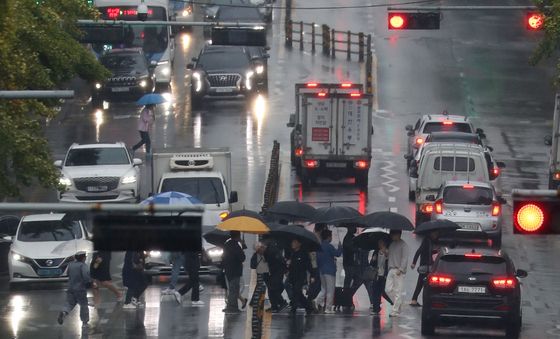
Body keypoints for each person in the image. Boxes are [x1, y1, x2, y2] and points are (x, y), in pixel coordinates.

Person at [58, 251, 95, 328]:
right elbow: (86, 276)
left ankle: (64, 312)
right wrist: (90, 282)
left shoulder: (71, 264)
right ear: (83, 258)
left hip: (70, 287)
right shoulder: (83, 266)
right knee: (83, 305)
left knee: (69, 303)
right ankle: (85, 322)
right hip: (80, 289)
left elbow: (68, 273)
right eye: (85, 256)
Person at [410, 230, 439, 307]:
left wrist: (436, 251)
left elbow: (429, 252)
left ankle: (414, 299)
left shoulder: (430, 241)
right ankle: (418, 300)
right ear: (431, 233)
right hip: (425, 266)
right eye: (435, 234)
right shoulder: (427, 241)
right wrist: (414, 263)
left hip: (427, 265)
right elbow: (419, 251)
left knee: (420, 283)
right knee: (424, 283)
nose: (436, 236)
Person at [315, 229, 342, 313]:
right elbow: (337, 254)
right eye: (331, 236)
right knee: (330, 290)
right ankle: (328, 308)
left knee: (323, 289)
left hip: (322, 270)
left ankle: (316, 301)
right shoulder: (329, 246)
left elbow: (318, 260)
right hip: (330, 271)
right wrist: (340, 247)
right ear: (328, 237)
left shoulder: (319, 247)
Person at [385, 230, 409, 317]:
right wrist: (385, 251)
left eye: (393, 234)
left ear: (398, 234)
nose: (392, 236)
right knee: (387, 289)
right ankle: (398, 305)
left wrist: (401, 269)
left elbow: (405, 258)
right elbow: (389, 255)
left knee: (398, 291)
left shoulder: (403, 245)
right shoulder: (392, 244)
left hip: (399, 270)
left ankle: (395, 310)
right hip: (391, 269)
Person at [287, 238, 314, 315]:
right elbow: (291, 266)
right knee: (298, 293)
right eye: (292, 242)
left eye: (295, 242)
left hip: (300, 276)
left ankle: (293, 309)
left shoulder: (303, 254)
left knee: (296, 291)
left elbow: (309, 265)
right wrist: (288, 266)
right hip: (293, 276)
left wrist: (313, 275)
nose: (293, 244)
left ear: (299, 244)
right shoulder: (292, 253)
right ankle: (308, 307)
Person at [222, 231, 247, 313]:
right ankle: (233, 307)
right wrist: (242, 248)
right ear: (238, 236)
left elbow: (223, 257)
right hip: (235, 270)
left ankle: (230, 306)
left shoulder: (227, 244)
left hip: (228, 270)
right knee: (234, 289)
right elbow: (242, 258)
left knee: (232, 289)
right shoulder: (236, 246)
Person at [263, 237, 288, 312]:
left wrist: (285, 270)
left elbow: (279, 260)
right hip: (272, 271)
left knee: (273, 287)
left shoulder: (272, 249)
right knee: (271, 288)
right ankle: (274, 306)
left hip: (277, 271)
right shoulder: (269, 248)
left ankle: (281, 302)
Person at [370, 238, 394, 315]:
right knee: (375, 292)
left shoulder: (388, 252)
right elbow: (372, 264)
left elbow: (391, 262)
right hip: (376, 275)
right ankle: (376, 308)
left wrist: (387, 255)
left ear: (384, 244)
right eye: (379, 243)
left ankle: (393, 302)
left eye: (381, 243)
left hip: (384, 276)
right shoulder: (376, 252)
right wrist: (373, 260)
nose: (379, 244)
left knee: (384, 292)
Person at [307, 223, 326, 311]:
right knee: (316, 282)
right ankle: (311, 301)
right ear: (322, 229)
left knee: (316, 282)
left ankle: (312, 300)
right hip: (316, 263)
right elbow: (314, 254)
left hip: (315, 263)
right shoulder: (317, 238)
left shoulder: (314, 236)